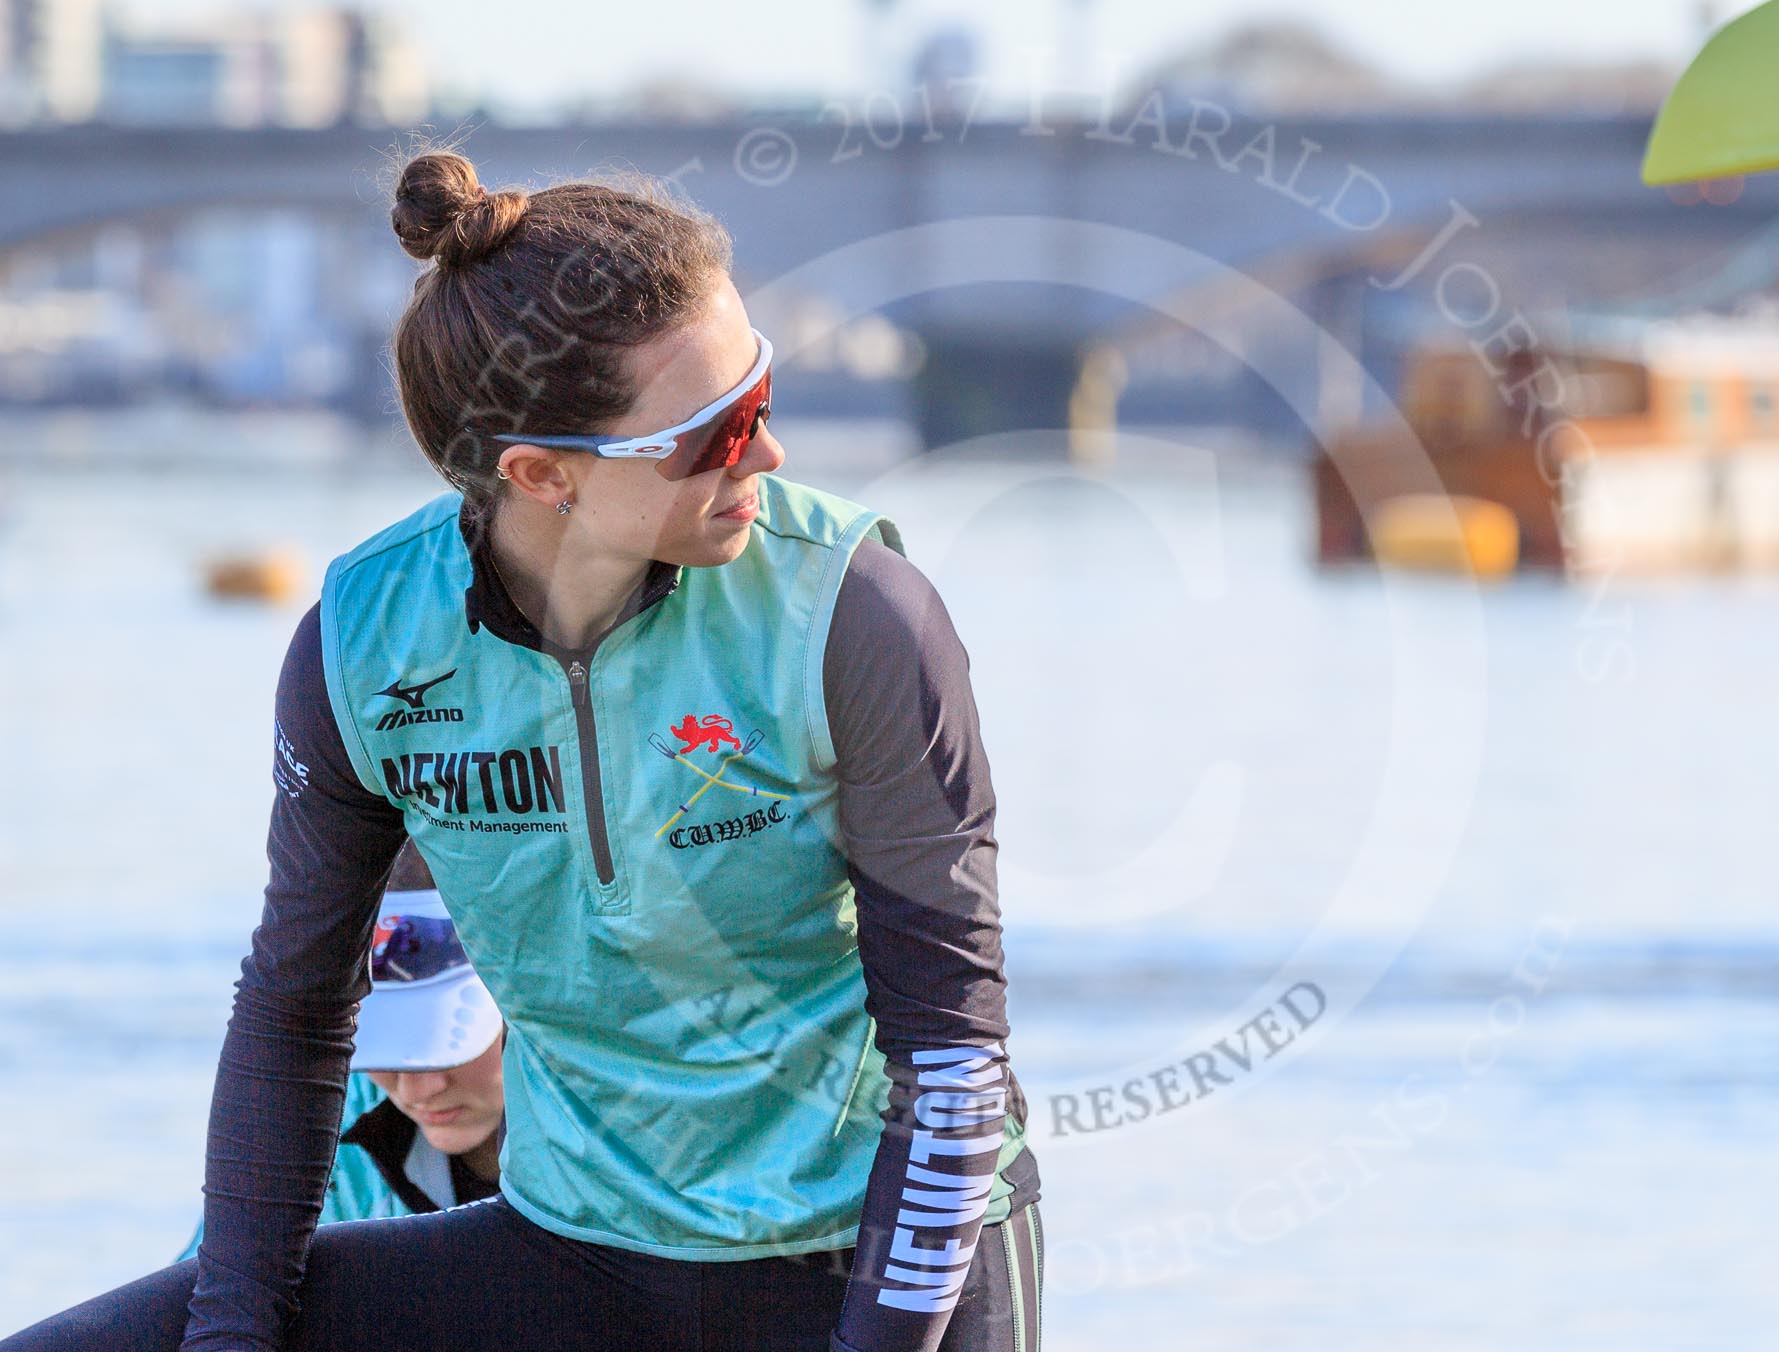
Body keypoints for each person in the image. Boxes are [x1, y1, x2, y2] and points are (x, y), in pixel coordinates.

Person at [3, 150, 1042, 1352]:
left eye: (763, 389)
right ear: (542, 474)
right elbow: (296, 1012)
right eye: (718, 430)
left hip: (871, 1258)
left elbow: (954, 1056)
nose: (767, 453)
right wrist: (231, 1337)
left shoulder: (855, 613)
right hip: (579, 1253)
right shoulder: (363, 641)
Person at [176, 842, 507, 1261]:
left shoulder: (611, 1129)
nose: (420, 1087)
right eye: (388, 1043)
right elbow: (196, 1289)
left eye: (447, 1043)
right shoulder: (319, 1129)